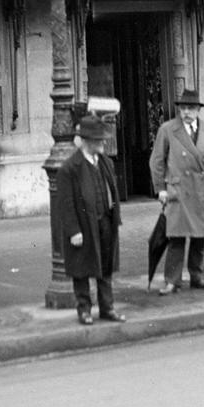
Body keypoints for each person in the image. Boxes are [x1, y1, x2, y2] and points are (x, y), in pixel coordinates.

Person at [149, 88, 204, 294]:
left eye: (191, 108)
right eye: (183, 108)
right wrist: (161, 189)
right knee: (177, 237)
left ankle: (198, 276)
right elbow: (156, 161)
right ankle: (172, 280)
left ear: (198, 110)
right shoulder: (168, 129)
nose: (186, 112)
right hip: (179, 190)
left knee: (200, 236)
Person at [55, 115, 124, 325]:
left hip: (105, 223)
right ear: (86, 141)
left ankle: (107, 307)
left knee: (105, 267)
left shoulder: (105, 162)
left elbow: (111, 190)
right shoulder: (70, 168)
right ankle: (84, 310)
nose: (103, 142)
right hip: (83, 227)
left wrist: (115, 219)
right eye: (99, 139)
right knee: (82, 269)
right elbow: (66, 204)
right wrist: (74, 230)